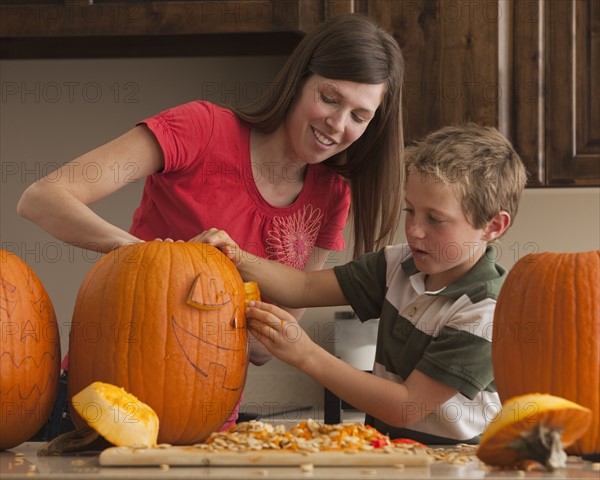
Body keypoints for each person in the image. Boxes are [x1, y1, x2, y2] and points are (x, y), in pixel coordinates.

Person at [17, 14, 405, 437]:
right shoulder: (201, 128)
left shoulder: (332, 195)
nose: (338, 123)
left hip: (208, 426)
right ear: (299, 79)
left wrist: (231, 274)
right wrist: (152, 260)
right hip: (102, 412)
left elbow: (259, 351)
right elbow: (43, 198)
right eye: (330, 98)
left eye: (359, 116)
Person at [197, 123, 528, 445]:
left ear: (493, 226)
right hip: (387, 455)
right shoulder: (398, 264)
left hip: (457, 468)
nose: (414, 230)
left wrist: (305, 354)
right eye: (410, 211)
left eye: (435, 219)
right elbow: (304, 288)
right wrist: (237, 257)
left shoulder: (486, 312)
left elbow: (406, 406)